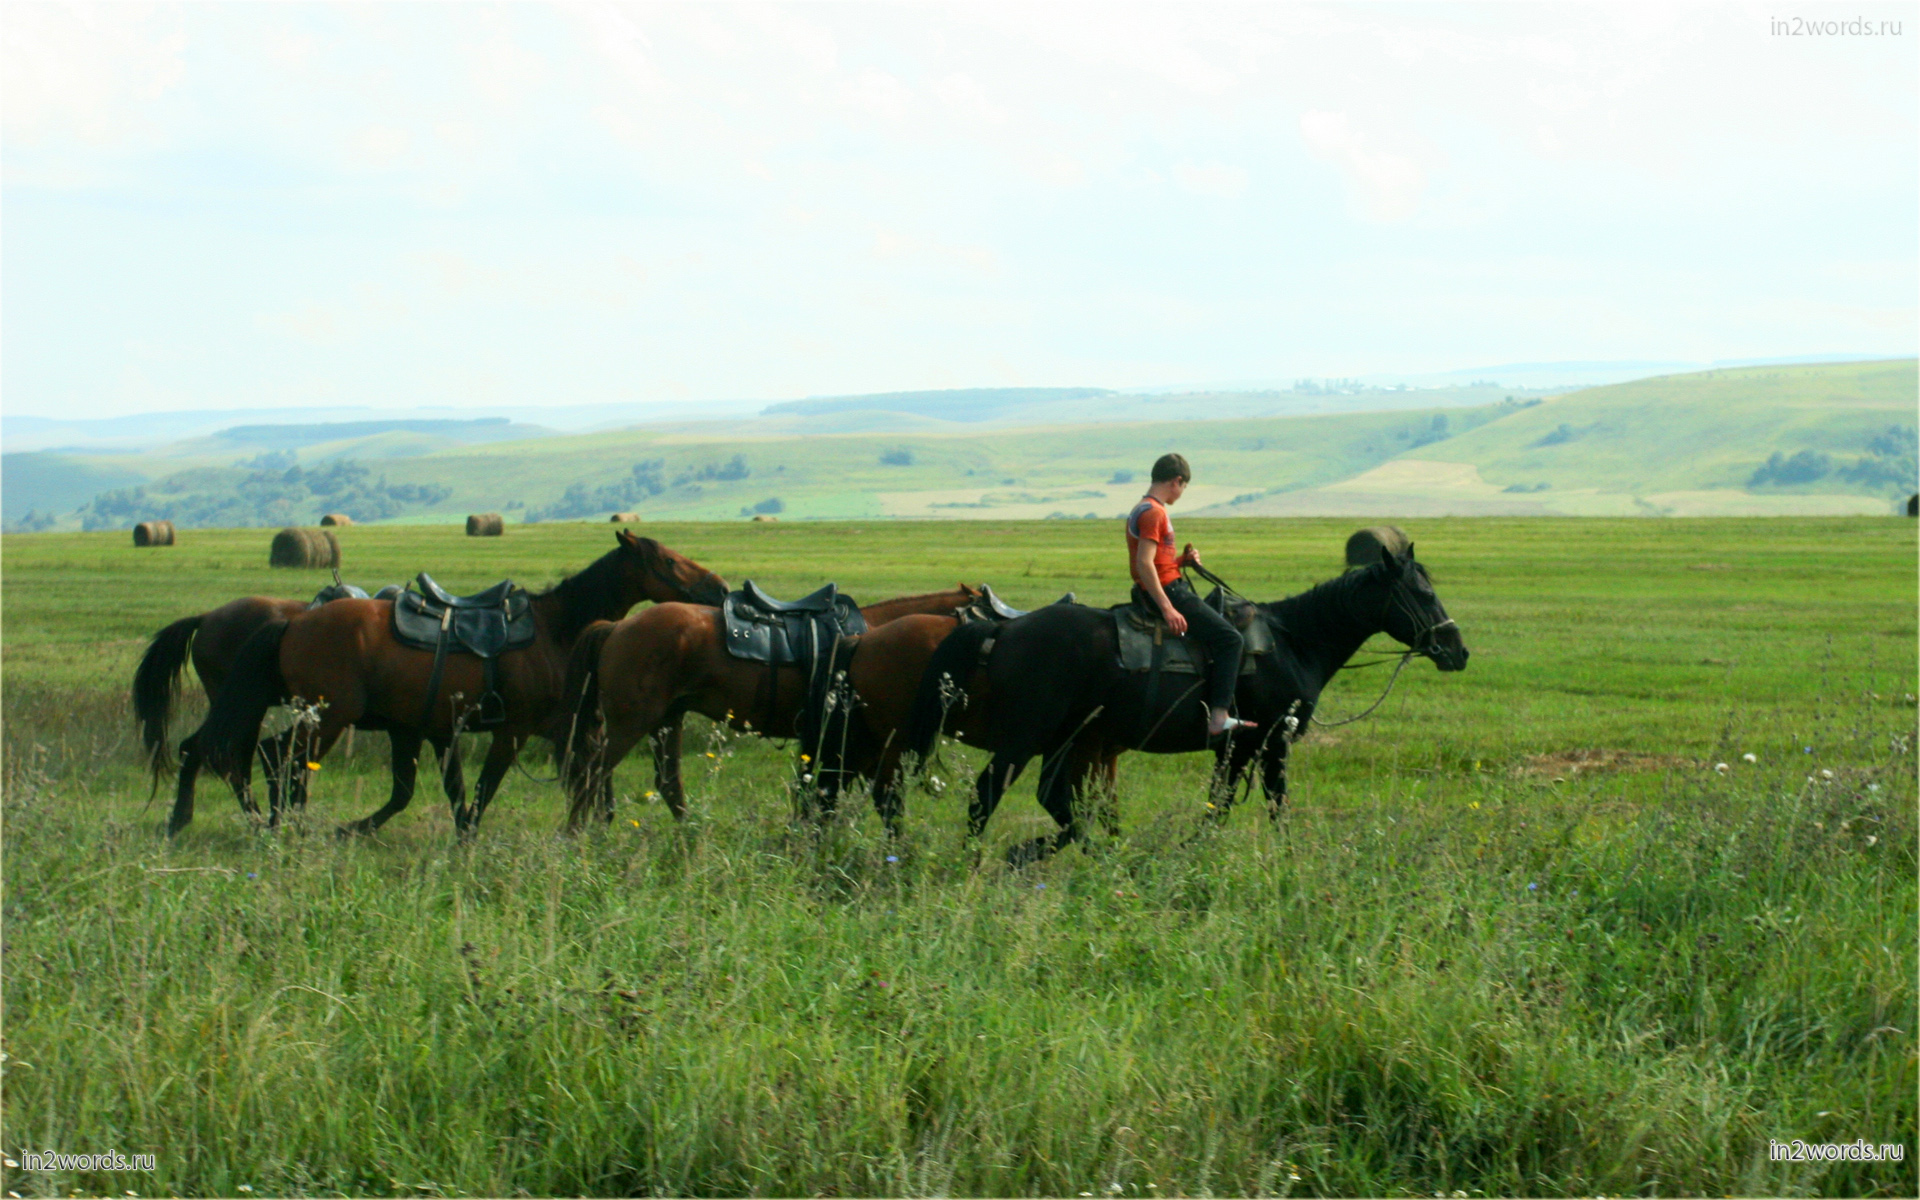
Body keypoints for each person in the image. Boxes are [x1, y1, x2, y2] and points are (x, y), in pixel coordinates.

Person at [1125, 453, 1255, 738]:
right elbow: (1144, 564)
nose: (1182, 493)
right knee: (1231, 639)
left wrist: (1183, 561)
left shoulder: (1143, 507)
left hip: (1167, 583)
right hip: (1169, 591)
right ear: (1177, 481)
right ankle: (1219, 716)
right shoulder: (1154, 512)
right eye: (1183, 487)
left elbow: (1156, 561)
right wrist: (1168, 608)